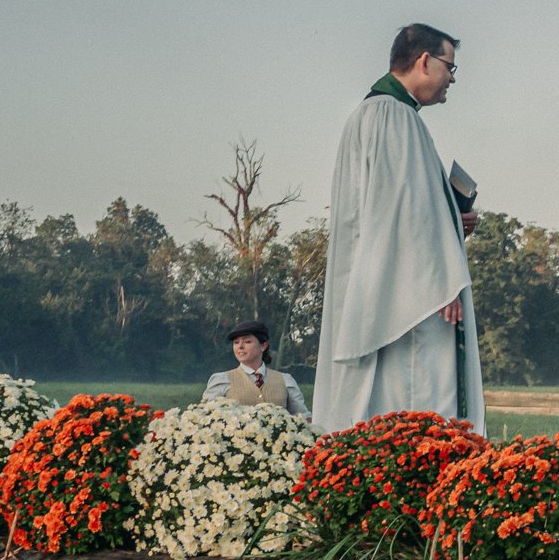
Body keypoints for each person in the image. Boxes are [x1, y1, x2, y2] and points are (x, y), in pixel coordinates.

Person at [311, 22, 484, 433]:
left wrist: (452, 224)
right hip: (412, 298)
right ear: (424, 61)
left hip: (384, 283)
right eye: (449, 67)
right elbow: (406, 209)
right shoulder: (394, 117)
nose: (452, 80)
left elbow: (392, 208)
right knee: (416, 389)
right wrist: (443, 277)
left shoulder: (370, 115)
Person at [202, 319, 308, 416]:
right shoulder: (222, 380)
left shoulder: (285, 380)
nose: (240, 346)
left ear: (263, 346)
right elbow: (206, 418)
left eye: (247, 341)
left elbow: (303, 418)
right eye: (236, 342)